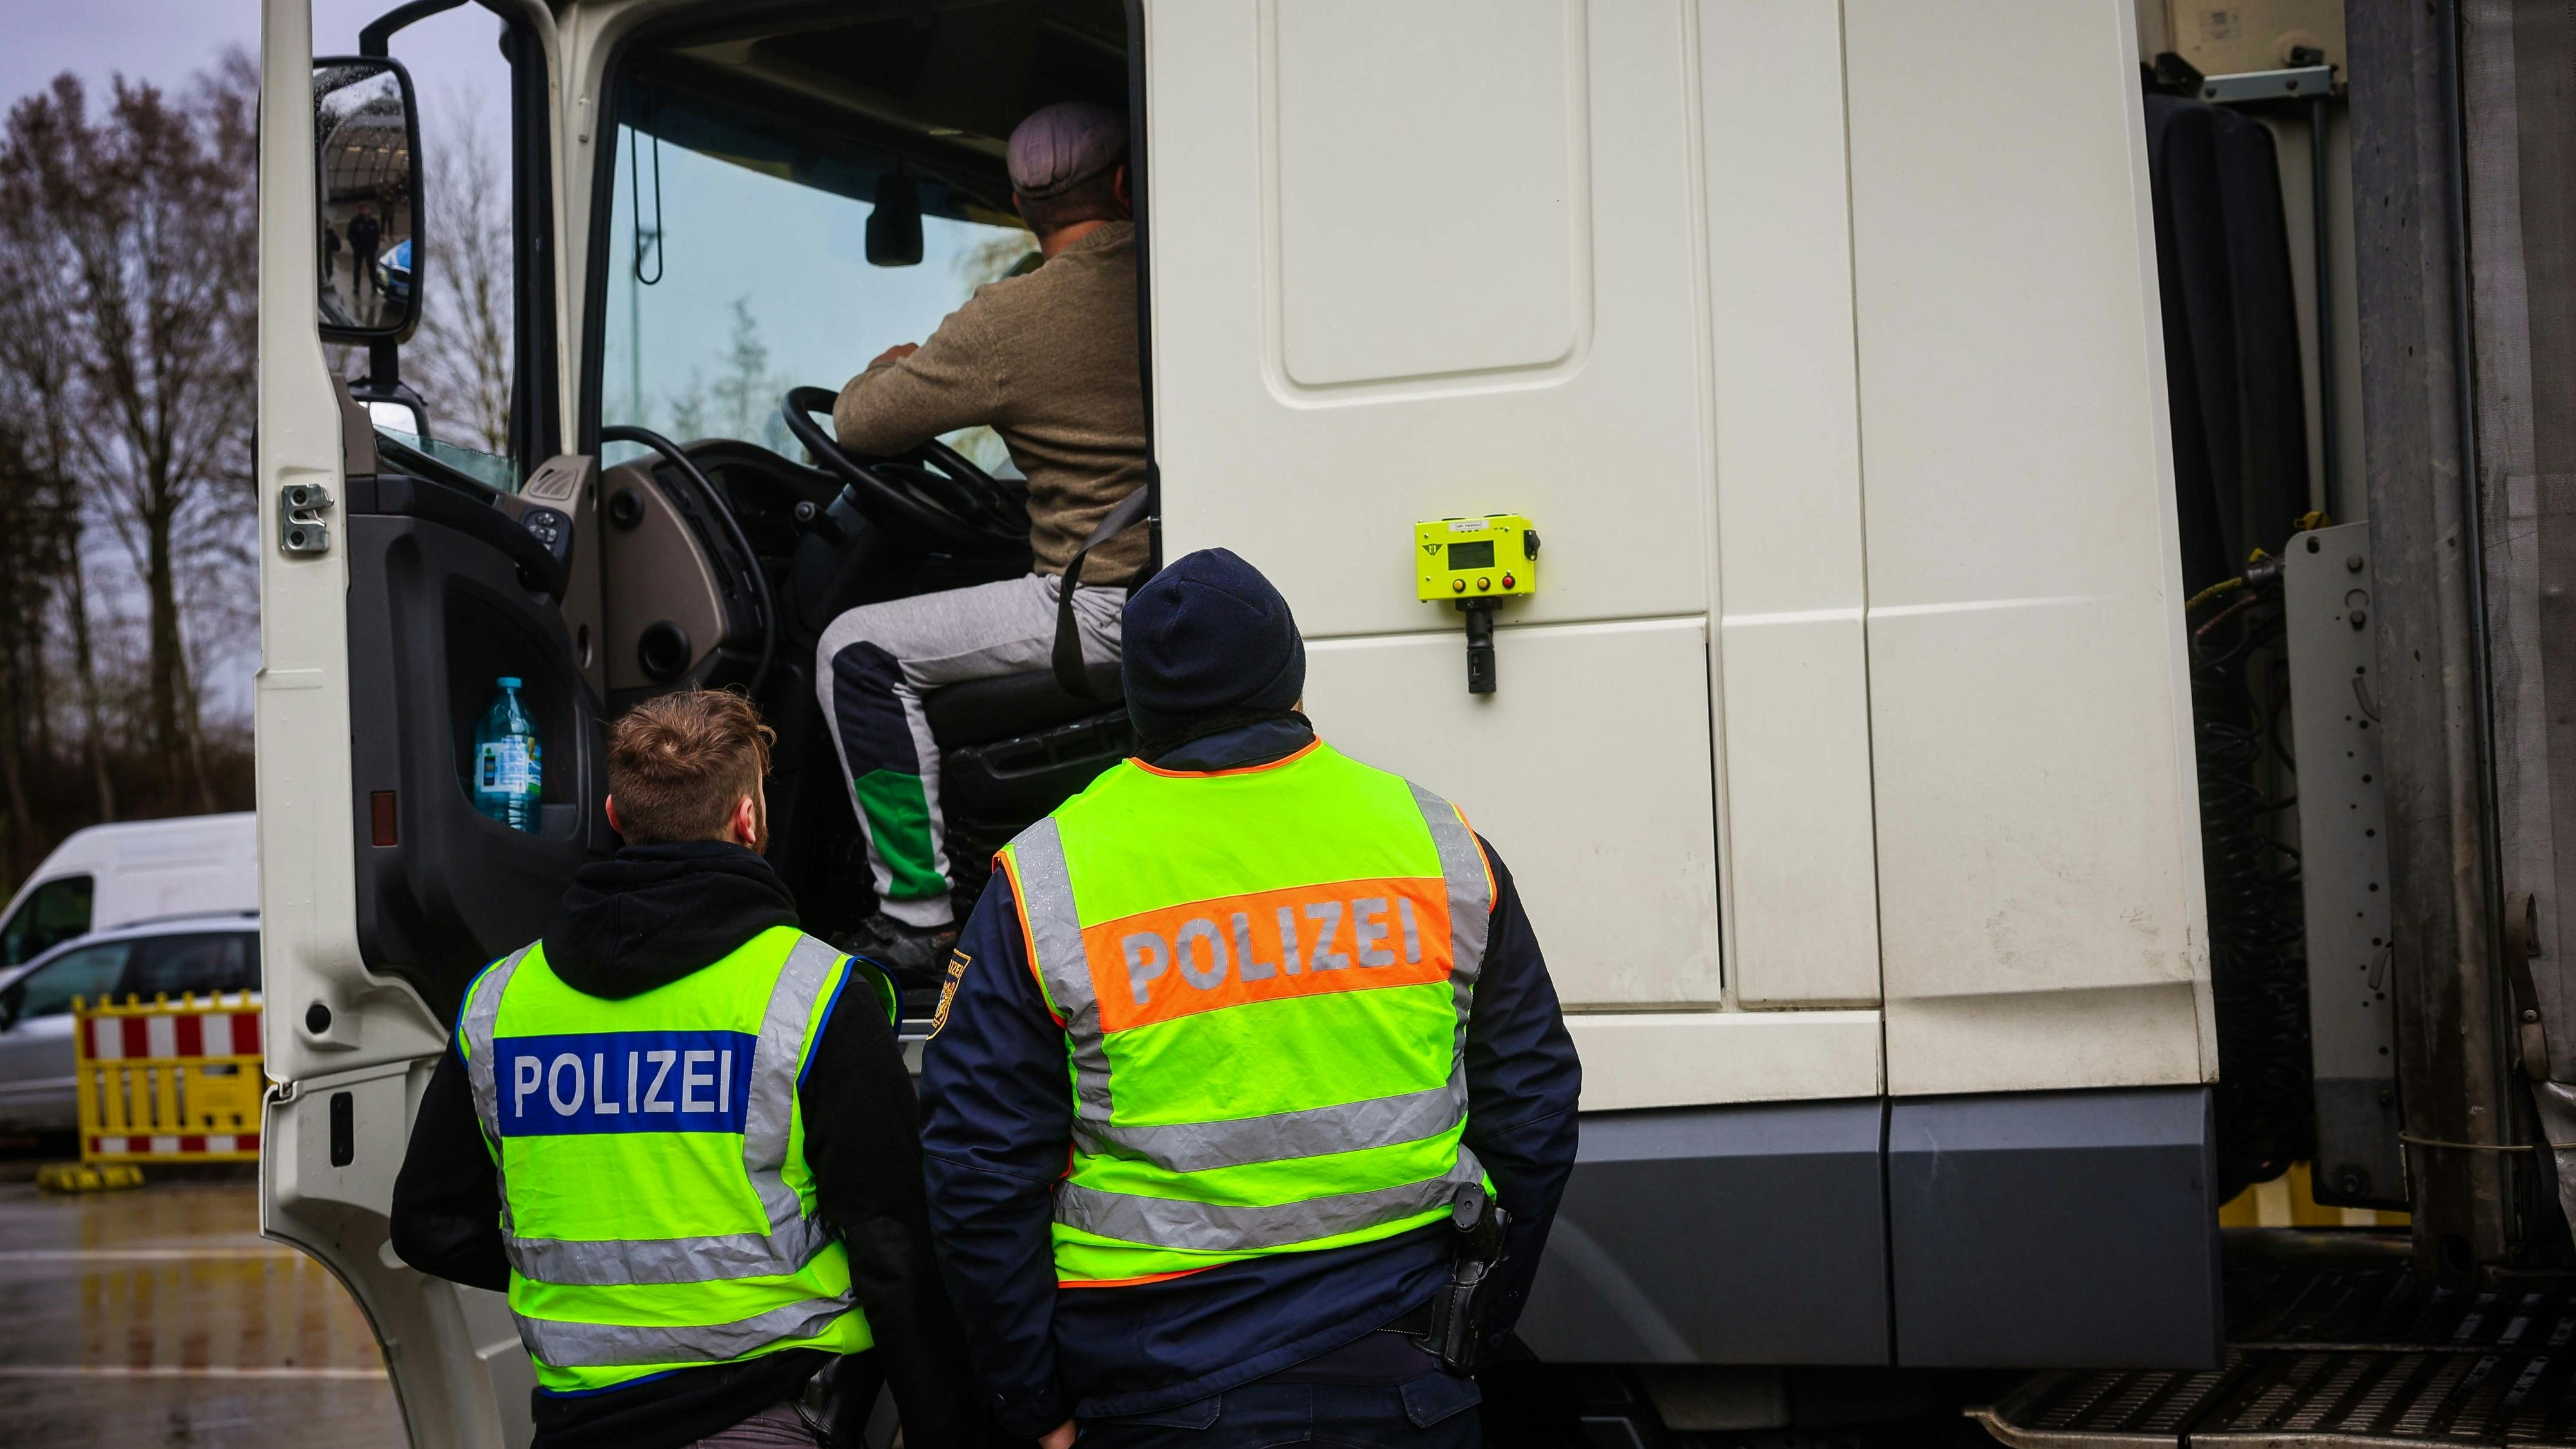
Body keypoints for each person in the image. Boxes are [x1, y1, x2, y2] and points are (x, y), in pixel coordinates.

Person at [918, 550, 1584, 1449]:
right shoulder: (1436, 842)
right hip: (1405, 1371)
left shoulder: (1046, 879)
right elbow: (1534, 1107)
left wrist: (1032, 1403)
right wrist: (1479, 1322)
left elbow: (976, 1168)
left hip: (1159, 1383)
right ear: (1292, 680)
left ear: (1138, 704)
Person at [390, 688, 981, 1449]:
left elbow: (429, 1225)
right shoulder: (811, 994)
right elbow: (894, 1249)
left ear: (614, 815)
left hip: (579, 1427)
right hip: (766, 1417)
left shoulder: (500, 1004)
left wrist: (591, 1290)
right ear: (748, 819)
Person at [814, 99, 1147, 980]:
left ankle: (914, 917)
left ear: (1021, 207)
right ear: (1124, 184)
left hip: (1096, 608)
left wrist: (885, 369)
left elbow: (860, 423)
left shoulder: (1009, 319)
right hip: (1177, 589)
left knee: (854, 650)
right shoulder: (1176, 277)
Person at [347, 205, 382, 301]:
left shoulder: (373, 222)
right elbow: (350, 235)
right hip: (359, 250)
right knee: (357, 268)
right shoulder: (355, 222)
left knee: (372, 268)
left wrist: (374, 247)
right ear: (361, 210)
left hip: (370, 250)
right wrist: (356, 246)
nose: (366, 211)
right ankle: (356, 287)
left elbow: (377, 235)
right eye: (364, 209)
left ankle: (374, 286)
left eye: (368, 209)